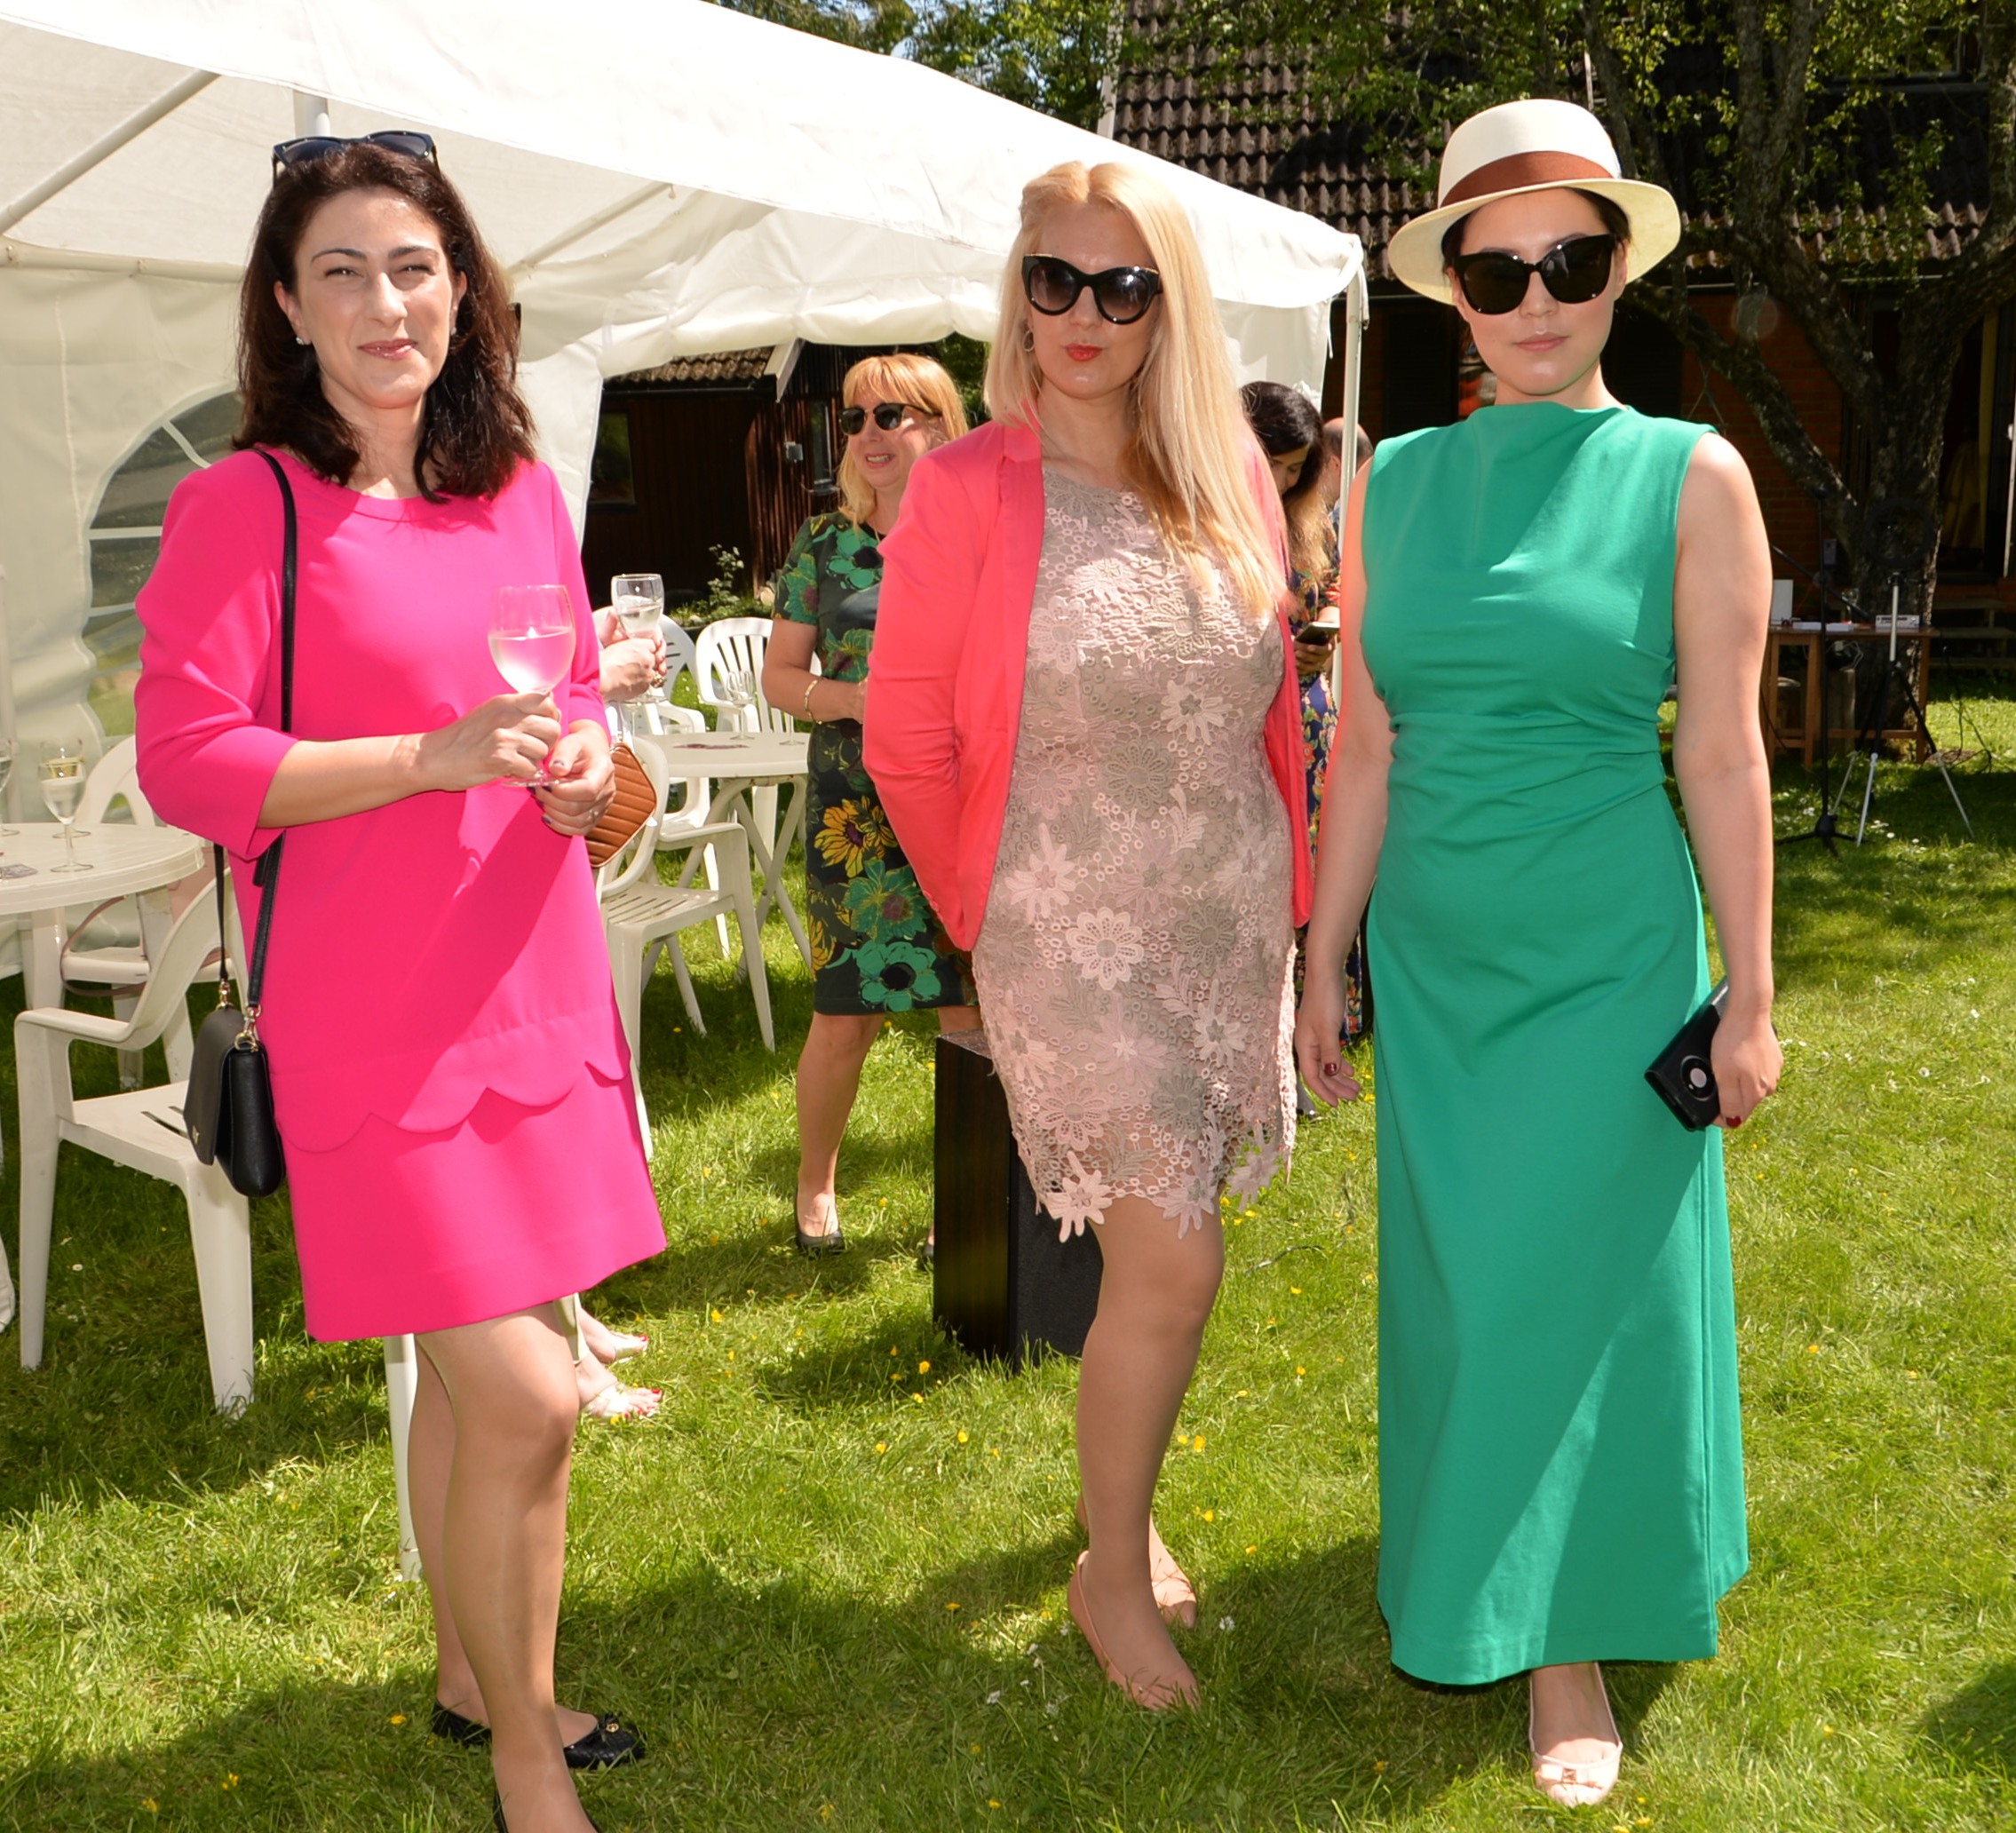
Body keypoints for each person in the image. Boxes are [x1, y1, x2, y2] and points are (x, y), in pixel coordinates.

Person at [135, 135, 663, 1833]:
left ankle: (477, 1674)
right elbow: (189, 757)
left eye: (415, 266)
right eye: (343, 271)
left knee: (480, 1384)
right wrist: (424, 757)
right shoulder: (245, 506)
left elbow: (570, 699)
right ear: (287, 307)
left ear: (464, 290)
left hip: (532, 979)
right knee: (531, 1393)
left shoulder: (516, 488)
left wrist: (581, 768)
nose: (386, 302)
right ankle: (524, 1749)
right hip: (372, 1016)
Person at [1295, 99, 1781, 1808]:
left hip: (1609, 954)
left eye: (1569, 260)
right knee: (1468, 1282)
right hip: (1440, 963)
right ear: (1454, 289)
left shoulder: (1691, 475)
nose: (1537, 298)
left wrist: (1752, 992)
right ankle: (1487, 1553)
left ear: (1620, 268)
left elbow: (1721, 750)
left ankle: (1564, 1632)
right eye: (1497, 271)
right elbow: (1367, 743)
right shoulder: (1395, 483)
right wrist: (1324, 957)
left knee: (1581, 1281)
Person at [867, 161, 1313, 1710]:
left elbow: (1267, 708)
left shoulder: (1226, 468)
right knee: (1174, 1258)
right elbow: (905, 738)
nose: (1083, 314)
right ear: (1019, 292)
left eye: (1122, 287)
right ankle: (1108, 1572)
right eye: (1052, 280)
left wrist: (1302, 920)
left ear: (1167, 307)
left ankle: (1123, 1506)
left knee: (1157, 1268)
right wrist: (988, 920)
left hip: (1218, 915)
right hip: (1061, 925)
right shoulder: (965, 487)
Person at [760, 353, 980, 1258]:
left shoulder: (979, 534)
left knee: (968, 1013)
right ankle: (814, 1188)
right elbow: (780, 677)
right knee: (845, 1010)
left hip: (963, 800)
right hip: (853, 813)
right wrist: (852, 699)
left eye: (890, 415)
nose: (867, 434)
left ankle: (963, 1205)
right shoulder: (825, 544)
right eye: (853, 419)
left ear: (938, 423)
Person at [1241, 384, 1369, 1060]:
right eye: (1274, 464)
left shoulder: (1310, 524)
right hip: (1244, 730)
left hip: (1309, 721)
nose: (1285, 482)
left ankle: (1317, 1026)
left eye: (1297, 468)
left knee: (1316, 871)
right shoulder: (1199, 525)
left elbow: (1333, 591)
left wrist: (1324, 632)